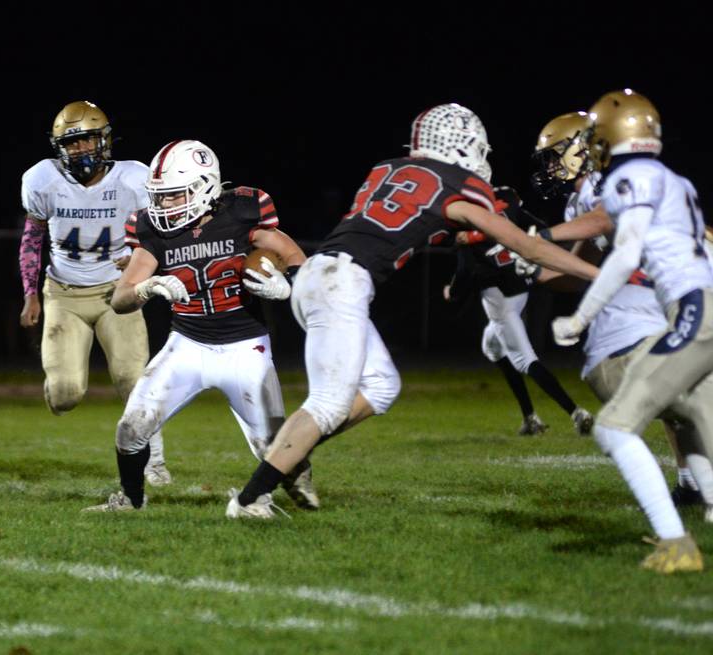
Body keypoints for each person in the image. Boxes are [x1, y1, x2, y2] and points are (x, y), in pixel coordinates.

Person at [225, 103, 599, 519]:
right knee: (329, 403)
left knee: (382, 385)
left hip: (319, 273)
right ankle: (250, 498)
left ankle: (286, 459)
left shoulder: (389, 170)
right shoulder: (457, 185)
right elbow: (527, 246)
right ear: (463, 146)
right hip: (343, 283)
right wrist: (599, 274)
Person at [83, 139, 317, 512]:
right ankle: (130, 499)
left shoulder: (241, 212)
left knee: (272, 445)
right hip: (187, 344)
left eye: (174, 196)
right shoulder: (153, 231)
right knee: (131, 428)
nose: (163, 206)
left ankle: (285, 480)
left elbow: (293, 256)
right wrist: (147, 286)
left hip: (245, 347)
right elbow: (121, 299)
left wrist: (285, 283)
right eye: (159, 197)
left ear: (204, 187)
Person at [552, 90, 713, 573]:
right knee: (693, 415)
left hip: (676, 316)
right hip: (693, 308)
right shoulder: (674, 181)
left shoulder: (620, 180)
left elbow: (620, 248)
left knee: (615, 423)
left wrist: (579, 315)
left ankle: (676, 544)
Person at [18, 100, 170, 486]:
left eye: (88, 140)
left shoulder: (135, 178)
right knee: (65, 395)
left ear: (105, 140)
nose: (82, 150)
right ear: (59, 148)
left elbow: (157, 231)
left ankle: (153, 461)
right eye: (72, 143)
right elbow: (32, 237)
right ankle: (57, 385)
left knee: (134, 379)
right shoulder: (42, 180)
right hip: (64, 294)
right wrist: (30, 294)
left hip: (117, 294)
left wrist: (138, 256)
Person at [443, 185, 594, 436]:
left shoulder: (466, 220)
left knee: (525, 360)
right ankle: (530, 418)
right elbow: (534, 227)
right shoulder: (505, 200)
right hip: (521, 288)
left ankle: (577, 413)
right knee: (491, 347)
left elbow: (465, 272)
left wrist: (451, 291)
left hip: (499, 300)